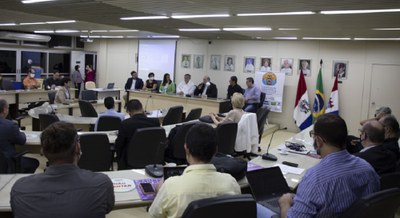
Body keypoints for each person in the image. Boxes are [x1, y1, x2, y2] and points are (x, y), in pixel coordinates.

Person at [258, 114, 380, 218]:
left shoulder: (314, 179)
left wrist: (285, 203)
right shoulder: (368, 169)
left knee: (257, 206)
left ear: (319, 141)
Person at [10, 121, 115, 217]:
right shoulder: (102, 184)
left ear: (42, 151)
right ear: (78, 148)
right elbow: (107, 207)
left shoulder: (20, 189)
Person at [149, 123, 241, 218]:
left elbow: (154, 215)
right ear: (215, 150)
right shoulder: (231, 183)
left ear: (186, 148)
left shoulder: (170, 187)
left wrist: (159, 192)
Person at [115, 99, 160, 170]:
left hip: (131, 160)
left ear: (129, 112)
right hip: (151, 158)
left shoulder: (125, 124)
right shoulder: (155, 122)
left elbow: (119, 144)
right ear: (142, 108)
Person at [0, 99, 39, 173]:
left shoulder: (10, 125)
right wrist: (19, 131)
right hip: (7, 163)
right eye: (8, 108)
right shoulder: (11, 126)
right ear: (5, 110)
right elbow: (22, 140)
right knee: (34, 162)